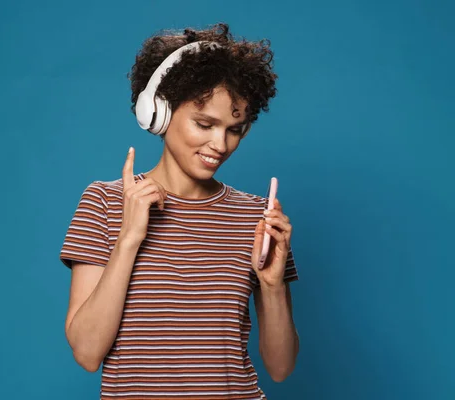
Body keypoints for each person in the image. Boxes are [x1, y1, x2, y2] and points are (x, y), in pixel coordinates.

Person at [60, 22, 299, 399]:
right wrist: (129, 239)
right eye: (205, 124)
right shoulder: (105, 202)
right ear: (160, 111)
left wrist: (271, 286)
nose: (220, 144)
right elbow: (87, 353)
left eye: (235, 129)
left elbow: (281, 368)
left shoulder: (257, 217)